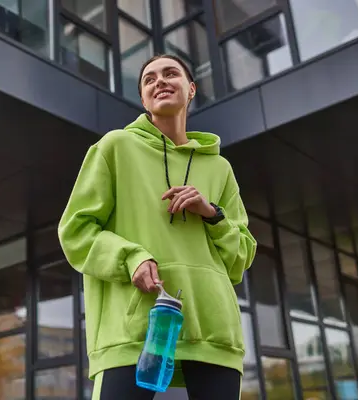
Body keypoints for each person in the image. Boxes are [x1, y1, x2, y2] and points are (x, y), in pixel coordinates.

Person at [58, 54, 257, 399]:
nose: (160, 81)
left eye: (170, 74)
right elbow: (76, 231)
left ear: (191, 89)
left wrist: (211, 212)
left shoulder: (220, 168)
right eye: (149, 79)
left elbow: (240, 259)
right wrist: (130, 258)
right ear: (143, 99)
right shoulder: (114, 147)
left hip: (213, 330)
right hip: (133, 327)